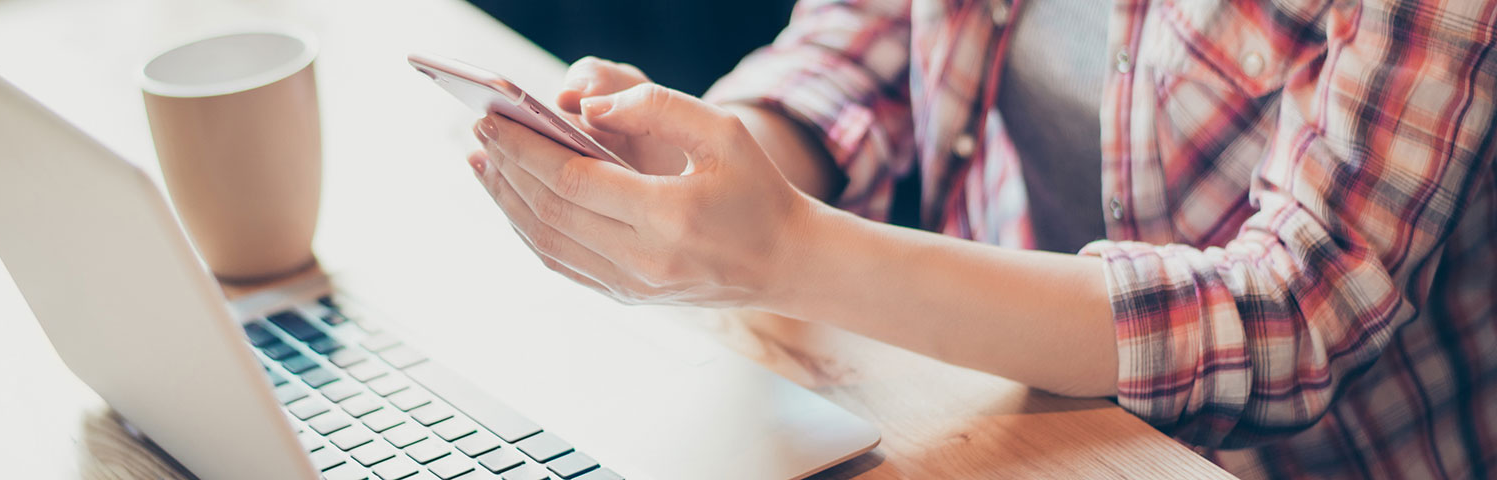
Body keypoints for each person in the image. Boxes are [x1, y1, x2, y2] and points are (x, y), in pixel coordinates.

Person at [461, 0, 1496, 478]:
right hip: (1005, 415)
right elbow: (867, 31)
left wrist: (789, 253)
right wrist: (699, 163)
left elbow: (1291, 315)